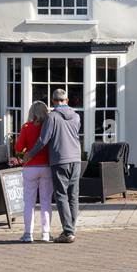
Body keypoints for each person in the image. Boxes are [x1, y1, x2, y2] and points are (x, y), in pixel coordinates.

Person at [20, 88, 81, 243]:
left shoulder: (52, 117)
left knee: (61, 196)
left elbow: (43, 140)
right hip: (76, 159)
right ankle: (70, 229)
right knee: (73, 196)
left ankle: (68, 232)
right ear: (66, 100)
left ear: (53, 101)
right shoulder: (76, 116)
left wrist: (29, 155)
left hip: (60, 160)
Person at [13, 100, 53, 243]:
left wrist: (25, 152)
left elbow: (18, 148)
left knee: (29, 202)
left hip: (30, 167)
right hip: (46, 167)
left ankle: (28, 233)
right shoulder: (48, 127)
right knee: (46, 201)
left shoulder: (26, 127)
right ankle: (46, 233)